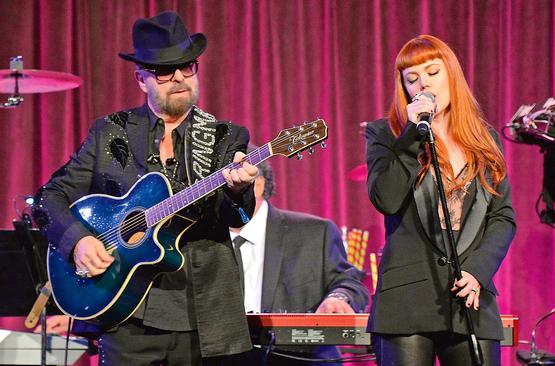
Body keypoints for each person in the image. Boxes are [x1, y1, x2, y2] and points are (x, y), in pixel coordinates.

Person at [32, 11, 258, 366]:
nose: (179, 79)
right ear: (141, 79)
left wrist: (236, 191)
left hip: (203, 317)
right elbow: (48, 199)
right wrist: (78, 241)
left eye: (187, 67)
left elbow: (238, 216)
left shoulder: (224, 137)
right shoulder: (110, 132)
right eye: (165, 71)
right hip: (125, 314)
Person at [364, 35, 516, 365]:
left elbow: (502, 216)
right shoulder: (386, 134)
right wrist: (411, 135)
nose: (424, 84)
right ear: (404, 88)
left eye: (432, 72)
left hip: (470, 301)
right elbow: (385, 199)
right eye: (412, 78)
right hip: (406, 304)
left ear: (451, 73)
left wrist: (478, 271)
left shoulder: (484, 139)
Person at [225, 157, 369, 366]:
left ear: (257, 185)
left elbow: (349, 283)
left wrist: (337, 299)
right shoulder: (200, 240)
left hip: (301, 358)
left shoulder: (314, 232)